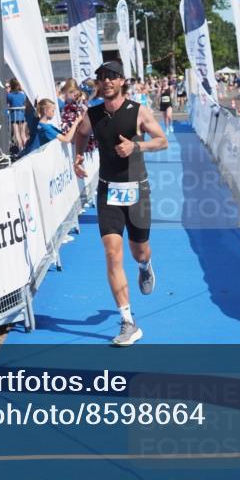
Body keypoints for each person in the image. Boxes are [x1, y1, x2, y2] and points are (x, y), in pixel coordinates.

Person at [72, 61, 168, 346]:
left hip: (137, 190)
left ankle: (145, 265)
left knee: (138, 251)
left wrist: (136, 146)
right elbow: (80, 133)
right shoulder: (92, 114)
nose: (106, 82)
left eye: (112, 77)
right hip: (107, 191)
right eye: (102, 78)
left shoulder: (138, 111)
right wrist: (78, 157)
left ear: (122, 81)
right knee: (112, 254)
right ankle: (127, 321)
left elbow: (162, 141)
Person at [7, 78, 28, 151]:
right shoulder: (22, 95)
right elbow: (24, 102)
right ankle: (26, 149)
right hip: (22, 116)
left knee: (17, 134)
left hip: (14, 117)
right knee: (23, 134)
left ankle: (21, 150)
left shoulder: (9, 95)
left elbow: (7, 104)